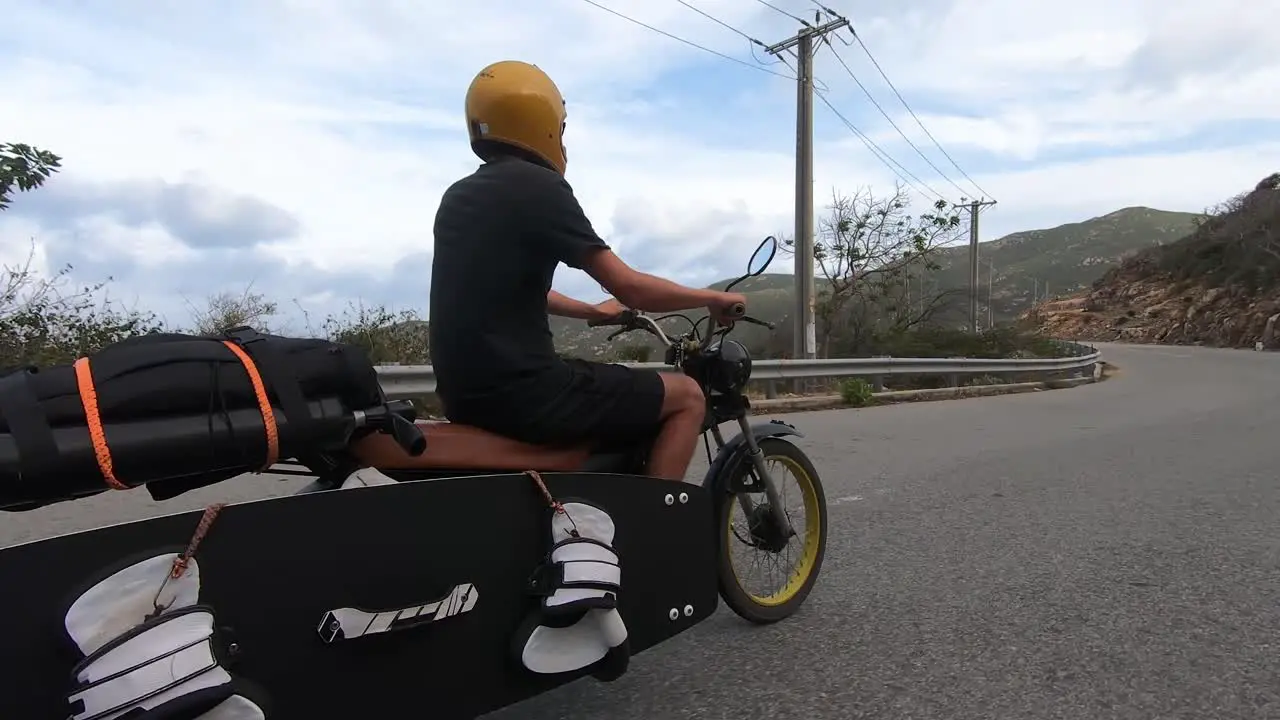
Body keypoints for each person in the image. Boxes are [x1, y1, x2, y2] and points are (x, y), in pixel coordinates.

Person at [428, 60, 748, 481]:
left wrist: (592, 312)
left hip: (465, 397)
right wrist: (713, 297)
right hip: (526, 396)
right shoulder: (539, 188)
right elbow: (631, 287)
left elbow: (516, 290)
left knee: (607, 386)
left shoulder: (458, 196)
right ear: (541, 123)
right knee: (686, 395)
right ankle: (650, 529)